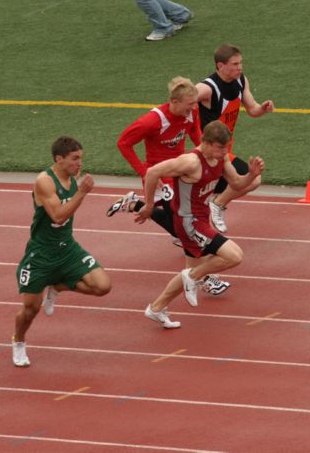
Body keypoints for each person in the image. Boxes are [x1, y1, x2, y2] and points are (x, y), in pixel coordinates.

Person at [107, 77, 231, 296]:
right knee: (186, 228)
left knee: (188, 225)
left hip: (180, 171)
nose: (195, 108)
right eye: (190, 104)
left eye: (195, 103)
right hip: (160, 176)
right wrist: (144, 171)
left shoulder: (189, 114)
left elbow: (196, 133)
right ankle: (204, 277)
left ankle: (135, 204)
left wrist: (203, 155)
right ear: (174, 102)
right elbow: (123, 143)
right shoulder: (152, 121)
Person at [135, 121, 264, 328]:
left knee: (191, 269)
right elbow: (152, 172)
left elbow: (237, 184)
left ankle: (157, 308)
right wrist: (149, 205)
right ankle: (193, 277)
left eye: (226, 147)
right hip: (189, 222)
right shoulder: (190, 162)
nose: (225, 152)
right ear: (207, 143)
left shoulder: (220, 159)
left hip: (202, 218)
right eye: (221, 148)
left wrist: (252, 174)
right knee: (235, 256)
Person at [12, 136, 112, 367]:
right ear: (59, 159)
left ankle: (56, 286)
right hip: (42, 253)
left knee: (103, 286)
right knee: (30, 310)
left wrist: (79, 190)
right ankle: (18, 340)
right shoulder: (44, 181)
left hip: (67, 247)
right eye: (74, 159)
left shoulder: (73, 178)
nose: (80, 164)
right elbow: (58, 215)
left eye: (81, 158)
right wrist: (82, 193)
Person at [197, 43, 275, 233]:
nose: (239, 67)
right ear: (220, 66)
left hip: (225, 149)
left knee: (202, 193)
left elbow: (252, 109)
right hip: (211, 151)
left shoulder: (241, 81)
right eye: (234, 64)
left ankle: (189, 227)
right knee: (253, 180)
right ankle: (217, 204)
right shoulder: (208, 88)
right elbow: (184, 97)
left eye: (241, 63)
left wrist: (262, 108)